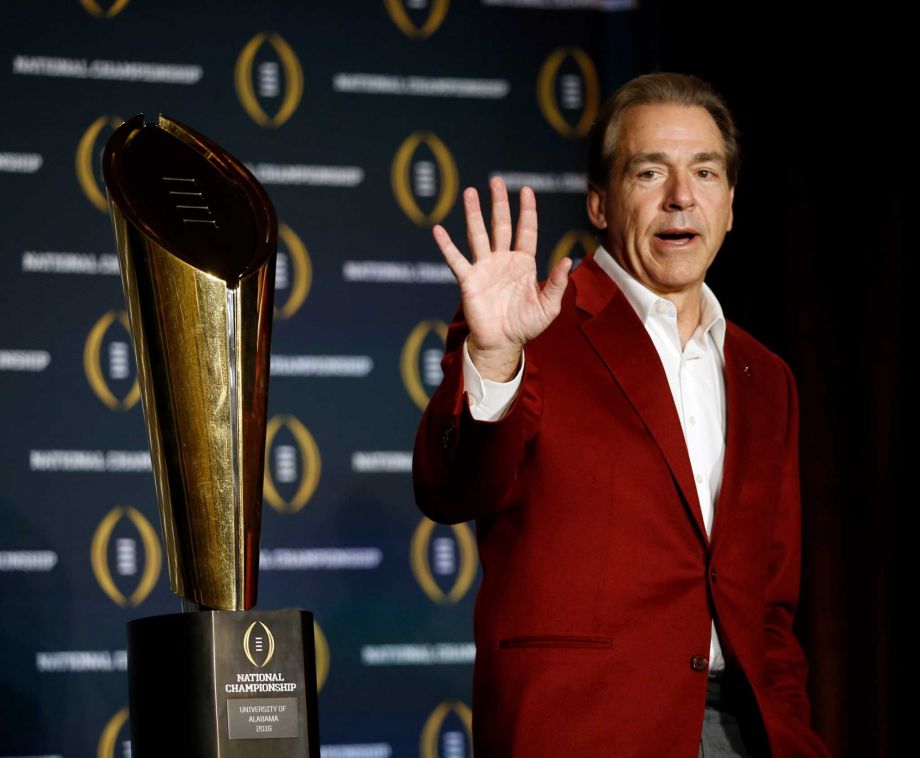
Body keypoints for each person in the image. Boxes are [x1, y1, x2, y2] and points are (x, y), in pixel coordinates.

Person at [412, 72, 830, 757]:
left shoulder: (767, 377)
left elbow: (771, 608)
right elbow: (450, 486)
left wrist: (792, 733)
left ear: (729, 204)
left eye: (705, 171)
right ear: (601, 203)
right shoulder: (531, 328)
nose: (681, 197)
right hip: (585, 730)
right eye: (648, 172)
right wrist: (491, 359)